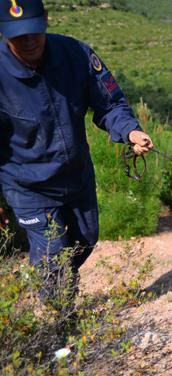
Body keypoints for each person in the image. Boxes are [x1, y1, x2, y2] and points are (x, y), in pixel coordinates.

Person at [0, 0, 154, 299]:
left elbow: (109, 104)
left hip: (76, 176)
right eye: (18, 36)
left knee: (85, 240)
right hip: (27, 185)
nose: (28, 41)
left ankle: (45, 280)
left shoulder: (76, 54)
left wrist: (130, 131)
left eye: (33, 31)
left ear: (45, 19)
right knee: (54, 254)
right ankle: (58, 323)